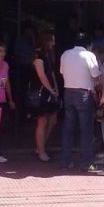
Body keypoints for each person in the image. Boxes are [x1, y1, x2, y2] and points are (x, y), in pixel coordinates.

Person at [59, 31, 101, 171]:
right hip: (83, 94)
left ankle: (65, 161)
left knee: (68, 128)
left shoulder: (65, 54)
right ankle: (86, 162)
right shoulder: (89, 56)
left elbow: (62, 72)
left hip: (68, 92)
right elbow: (96, 76)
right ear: (89, 45)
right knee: (86, 129)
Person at [31, 31, 60, 162]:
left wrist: (56, 88)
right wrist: (51, 89)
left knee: (53, 119)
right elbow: (41, 75)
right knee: (42, 121)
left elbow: (51, 72)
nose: (53, 43)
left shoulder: (49, 55)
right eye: (52, 40)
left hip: (51, 90)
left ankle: (41, 145)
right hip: (41, 91)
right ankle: (41, 151)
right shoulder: (38, 56)